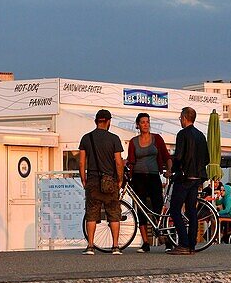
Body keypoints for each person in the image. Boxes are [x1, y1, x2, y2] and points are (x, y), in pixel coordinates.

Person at [79, 109, 125, 255]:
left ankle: (91, 246)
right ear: (108, 121)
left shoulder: (86, 138)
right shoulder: (114, 138)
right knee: (113, 211)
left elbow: (81, 163)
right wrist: (120, 179)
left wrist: (84, 180)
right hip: (109, 180)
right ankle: (115, 246)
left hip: (92, 180)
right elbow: (118, 162)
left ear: (96, 121)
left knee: (91, 212)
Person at [125, 112, 171, 252]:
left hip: (153, 176)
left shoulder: (157, 139)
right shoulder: (133, 142)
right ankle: (145, 242)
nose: (146, 124)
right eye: (143, 122)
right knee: (141, 209)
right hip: (138, 177)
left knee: (158, 207)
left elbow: (166, 156)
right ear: (138, 125)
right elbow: (131, 160)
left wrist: (168, 170)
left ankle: (164, 238)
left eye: (147, 122)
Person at [168, 106, 209, 255]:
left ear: (185, 118)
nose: (180, 120)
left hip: (184, 177)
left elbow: (179, 156)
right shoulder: (200, 135)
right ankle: (191, 244)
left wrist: (173, 170)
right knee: (192, 211)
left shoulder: (182, 134)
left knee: (175, 210)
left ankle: (183, 243)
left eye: (180, 118)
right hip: (197, 177)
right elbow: (206, 158)